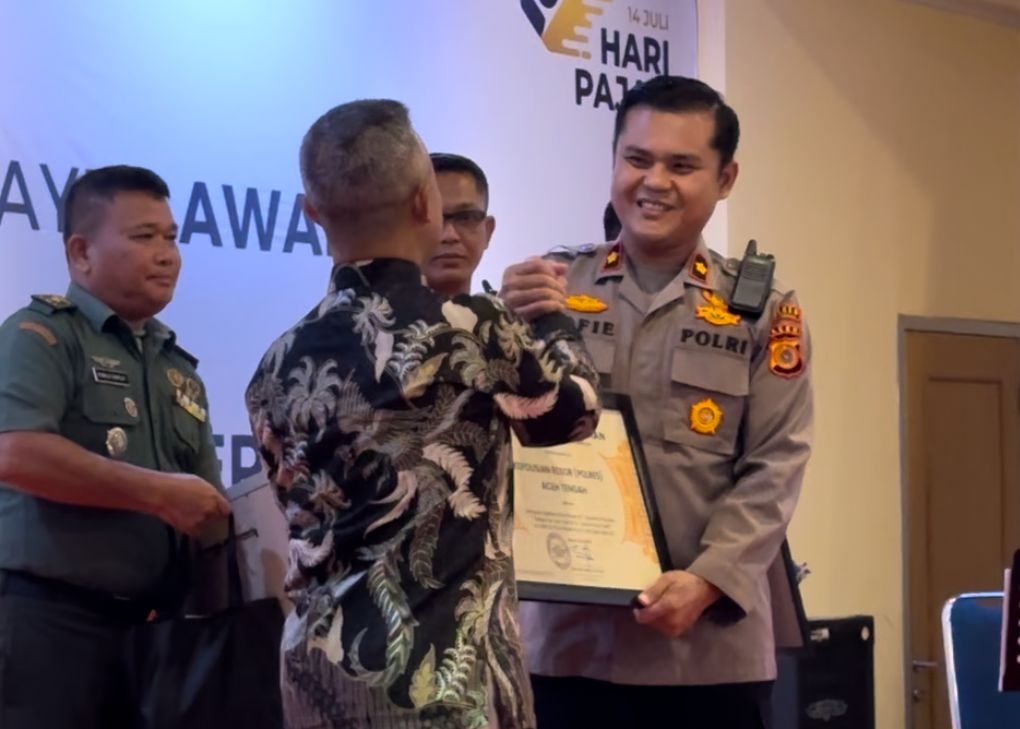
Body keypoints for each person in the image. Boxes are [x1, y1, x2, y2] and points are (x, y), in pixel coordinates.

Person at [245, 99, 600, 729]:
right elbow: (572, 416)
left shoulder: (274, 363)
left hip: (316, 677)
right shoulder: (473, 327)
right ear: (423, 204)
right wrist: (550, 319)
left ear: (311, 213)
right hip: (443, 679)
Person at [502, 75, 814, 728]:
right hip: (564, 648)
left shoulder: (763, 311)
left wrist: (709, 579)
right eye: (637, 159)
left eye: (681, 165)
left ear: (725, 178)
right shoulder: (547, 288)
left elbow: (776, 462)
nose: (654, 182)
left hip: (706, 657)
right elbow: (492, 431)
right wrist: (498, 329)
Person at [0, 165, 231, 728]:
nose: (166, 255)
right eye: (144, 237)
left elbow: (209, 510)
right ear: (81, 252)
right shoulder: (43, 336)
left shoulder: (180, 372)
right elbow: (15, 452)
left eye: (171, 238)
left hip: (157, 636)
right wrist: (156, 493)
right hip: (49, 626)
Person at [423, 152, 495, 297]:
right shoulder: (376, 310)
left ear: (487, 232)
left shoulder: (508, 310)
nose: (450, 236)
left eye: (466, 217)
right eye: (432, 218)